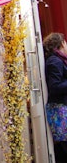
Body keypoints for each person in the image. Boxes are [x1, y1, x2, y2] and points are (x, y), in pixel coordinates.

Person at [43, 32, 67, 163]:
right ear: (61, 43)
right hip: (60, 111)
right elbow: (55, 87)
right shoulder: (55, 61)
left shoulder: (58, 60)